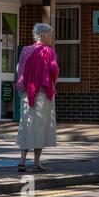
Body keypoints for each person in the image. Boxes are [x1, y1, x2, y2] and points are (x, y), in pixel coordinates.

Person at [16, 23, 59, 172]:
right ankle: (36, 162)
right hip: (43, 94)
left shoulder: (25, 50)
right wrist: (53, 83)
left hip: (28, 94)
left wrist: (22, 90)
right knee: (41, 127)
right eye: (50, 35)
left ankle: (22, 160)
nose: (52, 38)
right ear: (43, 36)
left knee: (27, 125)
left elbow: (20, 71)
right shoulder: (49, 52)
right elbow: (54, 70)